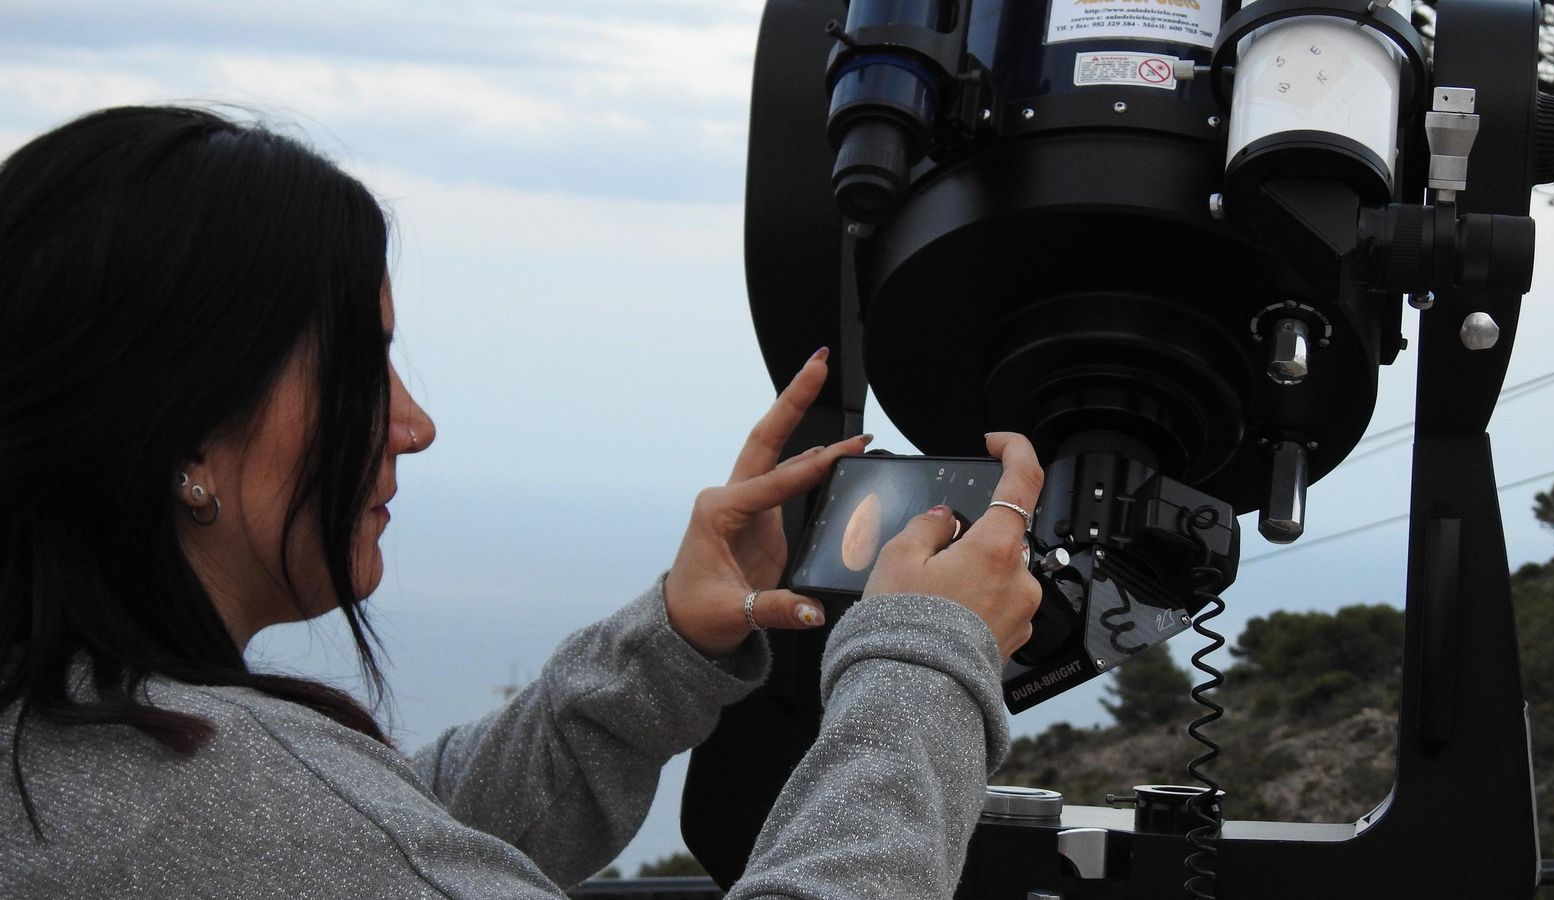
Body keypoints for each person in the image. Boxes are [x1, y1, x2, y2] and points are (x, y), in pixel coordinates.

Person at [0, 106, 1044, 898]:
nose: (413, 425)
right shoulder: (194, 795)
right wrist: (922, 656)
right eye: (363, 368)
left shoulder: (68, 747)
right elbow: (340, 842)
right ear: (182, 427)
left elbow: (397, 839)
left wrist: (666, 649)